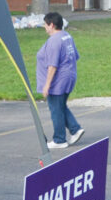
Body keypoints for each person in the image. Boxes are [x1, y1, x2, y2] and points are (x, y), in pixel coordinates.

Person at [36, 12, 85, 150]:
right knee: (61, 106)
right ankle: (75, 129)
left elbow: (53, 65)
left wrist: (47, 85)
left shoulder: (54, 40)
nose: (45, 27)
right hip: (69, 76)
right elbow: (74, 56)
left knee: (55, 109)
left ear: (51, 25)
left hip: (58, 81)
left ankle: (59, 139)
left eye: (45, 24)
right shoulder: (67, 36)